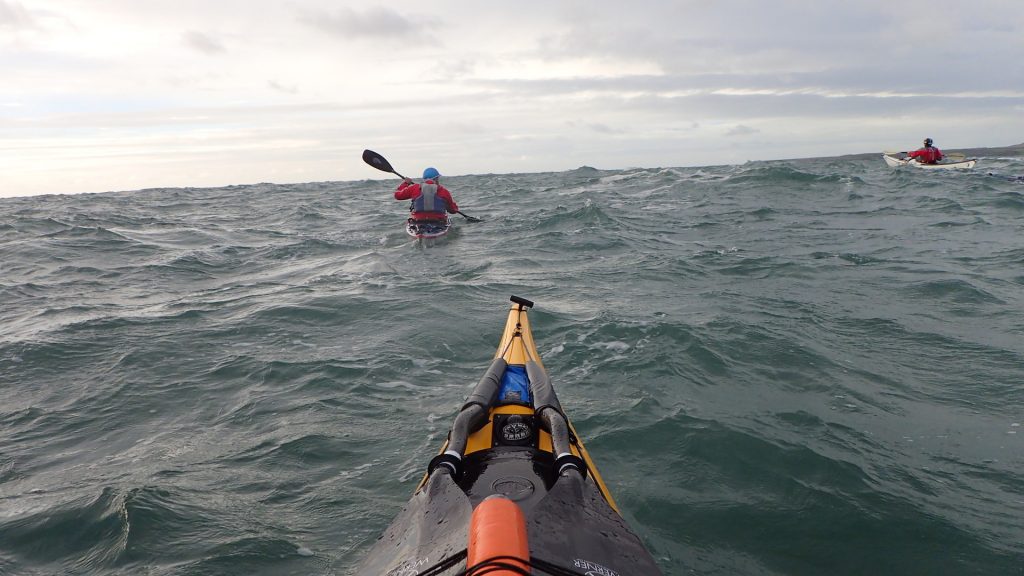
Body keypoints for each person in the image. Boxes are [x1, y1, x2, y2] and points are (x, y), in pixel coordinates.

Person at [394, 167, 459, 222]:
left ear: (424, 179)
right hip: (439, 221)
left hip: (418, 221)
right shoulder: (444, 191)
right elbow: (452, 210)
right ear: (436, 179)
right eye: (438, 178)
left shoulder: (414, 188)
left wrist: (405, 183)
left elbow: (397, 195)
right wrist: (454, 207)